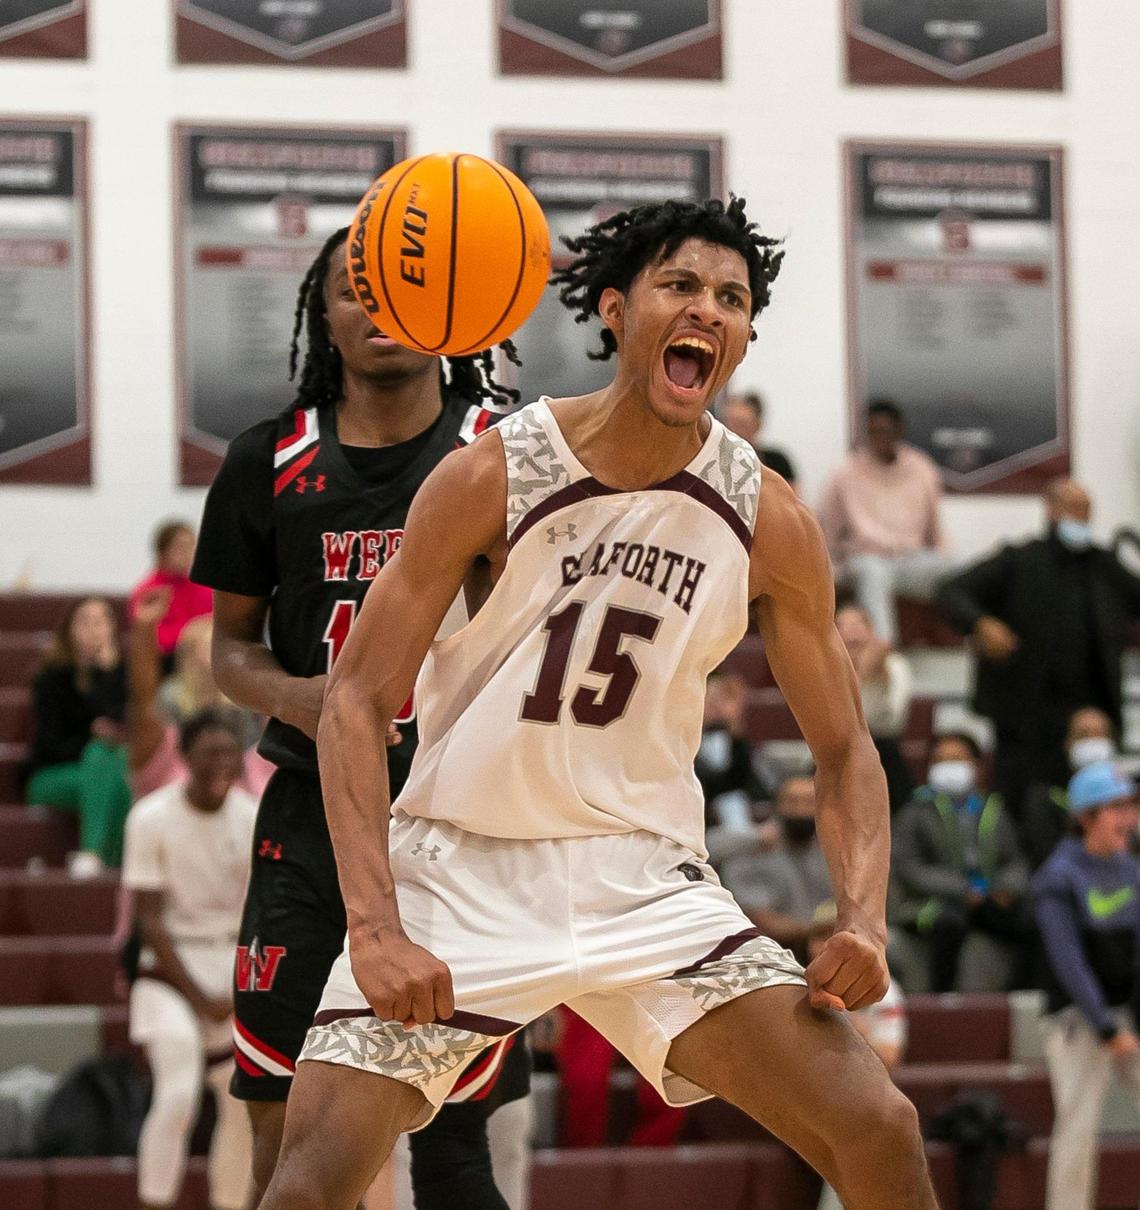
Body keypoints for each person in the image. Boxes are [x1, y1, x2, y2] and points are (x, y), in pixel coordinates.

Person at [264, 197, 935, 1210]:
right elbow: (355, 700)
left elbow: (844, 750)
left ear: (747, 334)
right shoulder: (493, 471)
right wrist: (375, 924)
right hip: (461, 869)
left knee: (880, 1126)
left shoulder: (769, 518)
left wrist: (865, 922)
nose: (707, 310)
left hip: (645, 880)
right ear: (615, 311)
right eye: (680, 286)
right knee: (309, 1184)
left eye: (731, 298)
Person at [190, 228, 530, 1210]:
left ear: (450, 307)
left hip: (456, 826)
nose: (379, 309)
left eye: (405, 287)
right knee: (285, 1129)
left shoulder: (500, 454)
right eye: (356, 290)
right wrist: (310, 697)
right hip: (307, 820)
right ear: (323, 314)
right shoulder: (268, 459)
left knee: (460, 1143)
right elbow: (230, 654)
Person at [937, 478, 1140, 820]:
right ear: (1051, 510)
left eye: (1086, 511)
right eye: (1073, 509)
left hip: (1086, 718)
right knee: (1018, 810)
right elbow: (952, 591)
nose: (1081, 518)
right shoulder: (1020, 560)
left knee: (1092, 811)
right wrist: (980, 623)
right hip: (1024, 716)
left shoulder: (1103, 566)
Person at [122, 709, 257, 1210]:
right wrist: (202, 998)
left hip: (235, 966)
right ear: (184, 757)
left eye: (230, 753)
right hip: (168, 972)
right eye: (210, 753)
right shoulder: (151, 818)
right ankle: (155, 1201)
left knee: (242, 1102)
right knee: (177, 1091)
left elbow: (264, 912)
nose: (222, 764)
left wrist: (241, 987)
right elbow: (149, 921)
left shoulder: (251, 816)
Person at [1032, 761, 1140, 1210]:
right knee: (1077, 1127)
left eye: (1130, 806)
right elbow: (1069, 963)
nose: (1129, 818)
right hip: (1077, 1018)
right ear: (1085, 816)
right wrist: (1105, 1026)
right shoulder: (1058, 877)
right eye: (1116, 807)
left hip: (1128, 1012)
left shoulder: (1133, 870)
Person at [892, 732, 1030, 992]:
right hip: (929, 904)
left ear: (977, 766)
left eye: (957, 758)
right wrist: (962, 890)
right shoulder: (916, 811)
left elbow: (1015, 861)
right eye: (941, 760)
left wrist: (1003, 888)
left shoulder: (995, 811)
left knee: (1029, 921)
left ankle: (1019, 1000)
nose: (949, 766)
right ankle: (939, 1000)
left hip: (987, 899)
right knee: (950, 922)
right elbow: (910, 868)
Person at [819, 398, 948, 646]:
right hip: (864, 560)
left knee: (965, 569)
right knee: (873, 573)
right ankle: (883, 653)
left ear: (899, 431)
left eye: (885, 430)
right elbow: (827, 529)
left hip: (912, 563)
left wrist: (941, 556)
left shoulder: (922, 469)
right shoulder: (845, 473)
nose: (879, 437)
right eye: (873, 431)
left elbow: (936, 532)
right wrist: (829, 570)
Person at [127, 585, 273, 802]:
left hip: (241, 790)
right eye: (207, 647)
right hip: (175, 778)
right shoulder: (170, 699)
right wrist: (145, 629)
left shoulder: (243, 702)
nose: (216, 657)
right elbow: (144, 701)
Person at [24, 596, 131, 874]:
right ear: (69, 629)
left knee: (117, 775)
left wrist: (108, 674)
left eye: (101, 621)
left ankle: (99, 864)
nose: (94, 629)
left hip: (102, 774)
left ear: (112, 629)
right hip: (51, 775)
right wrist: (93, 738)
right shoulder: (50, 677)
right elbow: (49, 744)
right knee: (101, 755)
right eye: (85, 621)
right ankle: (96, 854)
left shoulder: (119, 674)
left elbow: (119, 723)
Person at [719, 773, 833, 959]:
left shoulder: (833, 851)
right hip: (768, 950)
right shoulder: (752, 852)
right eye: (793, 801)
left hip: (830, 944)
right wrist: (818, 931)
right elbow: (762, 920)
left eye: (809, 802)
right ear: (777, 805)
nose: (801, 810)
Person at [835, 601, 914, 813]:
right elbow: (833, 723)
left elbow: (893, 720)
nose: (851, 631)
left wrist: (872, 679)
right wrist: (862, 676)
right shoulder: (824, 667)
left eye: (859, 624)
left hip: (883, 751)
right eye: (842, 625)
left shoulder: (895, 665)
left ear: (872, 632)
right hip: (835, 755)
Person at [1021, 706, 1119, 871]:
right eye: (1084, 735)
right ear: (1068, 742)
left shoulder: (1126, 797)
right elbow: (1044, 853)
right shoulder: (1045, 795)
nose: (1093, 742)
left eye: (1101, 734)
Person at [695, 665, 767, 865]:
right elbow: (718, 787)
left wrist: (736, 733)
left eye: (725, 699)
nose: (717, 706)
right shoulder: (685, 748)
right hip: (707, 833)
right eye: (710, 699)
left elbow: (748, 785)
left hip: (743, 831)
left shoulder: (738, 744)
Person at [129, 520, 212, 666]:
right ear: (162, 552)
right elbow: (155, 642)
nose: (189, 553)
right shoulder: (149, 592)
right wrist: (189, 635)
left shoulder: (204, 587)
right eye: (181, 547)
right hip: (167, 663)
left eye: (192, 546)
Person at [720, 390, 797, 485]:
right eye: (728, 423)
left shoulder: (778, 462)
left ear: (757, 425)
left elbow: (793, 497)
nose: (732, 430)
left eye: (741, 424)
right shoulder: (716, 463)